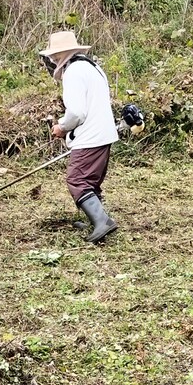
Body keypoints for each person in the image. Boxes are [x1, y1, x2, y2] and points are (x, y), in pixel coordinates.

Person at [39, 29, 119, 243]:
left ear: (60, 55)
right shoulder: (92, 67)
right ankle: (96, 220)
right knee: (91, 182)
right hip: (103, 133)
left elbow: (76, 112)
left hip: (90, 136)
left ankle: (102, 221)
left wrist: (62, 127)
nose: (53, 61)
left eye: (54, 57)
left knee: (77, 179)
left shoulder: (73, 72)